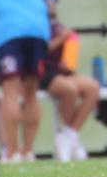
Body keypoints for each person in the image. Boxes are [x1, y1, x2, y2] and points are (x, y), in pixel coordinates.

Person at [0, 0, 55, 162]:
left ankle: (12, 152)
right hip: (38, 31)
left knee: (10, 91)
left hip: (10, 31)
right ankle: (28, 150)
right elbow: (51, 6)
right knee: (30, 92)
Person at [41, 14, 100, 162]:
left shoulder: (57, 25)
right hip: (42, 73)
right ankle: (69, 140)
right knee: (69, 89)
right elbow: (38, 51)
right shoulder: (34, 24)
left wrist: (68, 62)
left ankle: (69, 136)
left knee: (92, 87)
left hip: (61, 72)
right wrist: (61, 39)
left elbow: (67, 54)